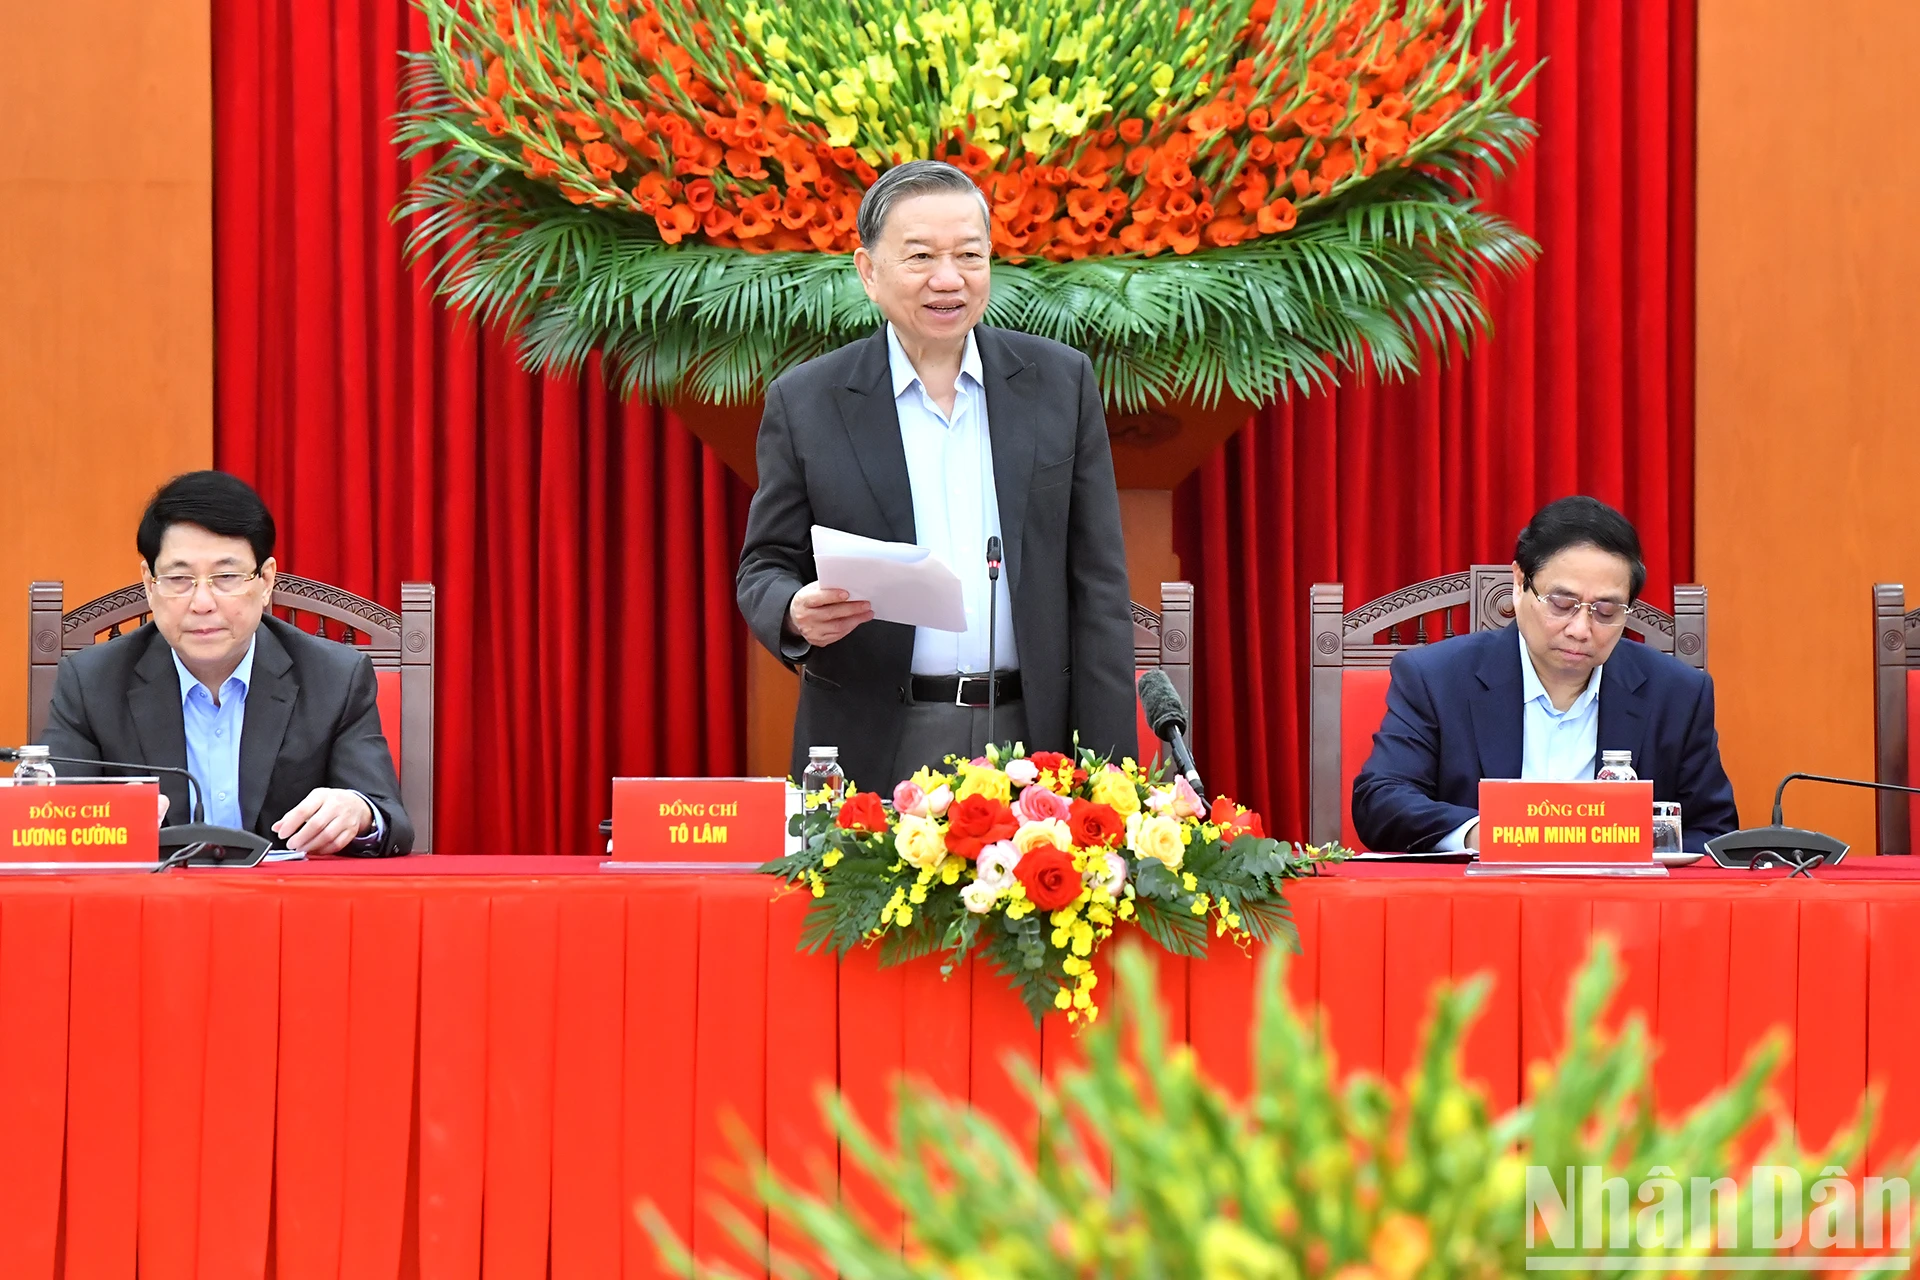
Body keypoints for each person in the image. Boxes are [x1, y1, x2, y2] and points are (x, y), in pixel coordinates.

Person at [737, 159, 1136, 793]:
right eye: (920, 257)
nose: (948, 280)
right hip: (877, 738)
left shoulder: (1060, 384)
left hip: (1035, 742)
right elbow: (763, 565)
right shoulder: (809, 401)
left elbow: (1100, 591)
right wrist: (791, 610)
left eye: (969, 256)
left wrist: (1115, 777)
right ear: (869, 272)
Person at [41, 471, 413, 856]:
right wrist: (97, 823)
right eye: (179, 578)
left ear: (266, 581)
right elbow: (48, 822)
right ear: (150, 586)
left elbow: (389, 820)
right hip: (152, 906)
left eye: (227, 576)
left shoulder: (336, 679)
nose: (202, 602)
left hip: (288, 906)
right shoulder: (91, 682)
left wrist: (358, 814)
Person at [1350, 495, 1737, 853]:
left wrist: (1639, 846)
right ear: (1520, 583)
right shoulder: (1436, 678)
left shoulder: (1677, 693)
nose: (1581, 630)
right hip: (1480, 908)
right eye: (1563, 603)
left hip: (1622, 913)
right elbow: (1382, 800)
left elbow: (1715, 829)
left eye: (1605, 611)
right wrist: (1484, 833)